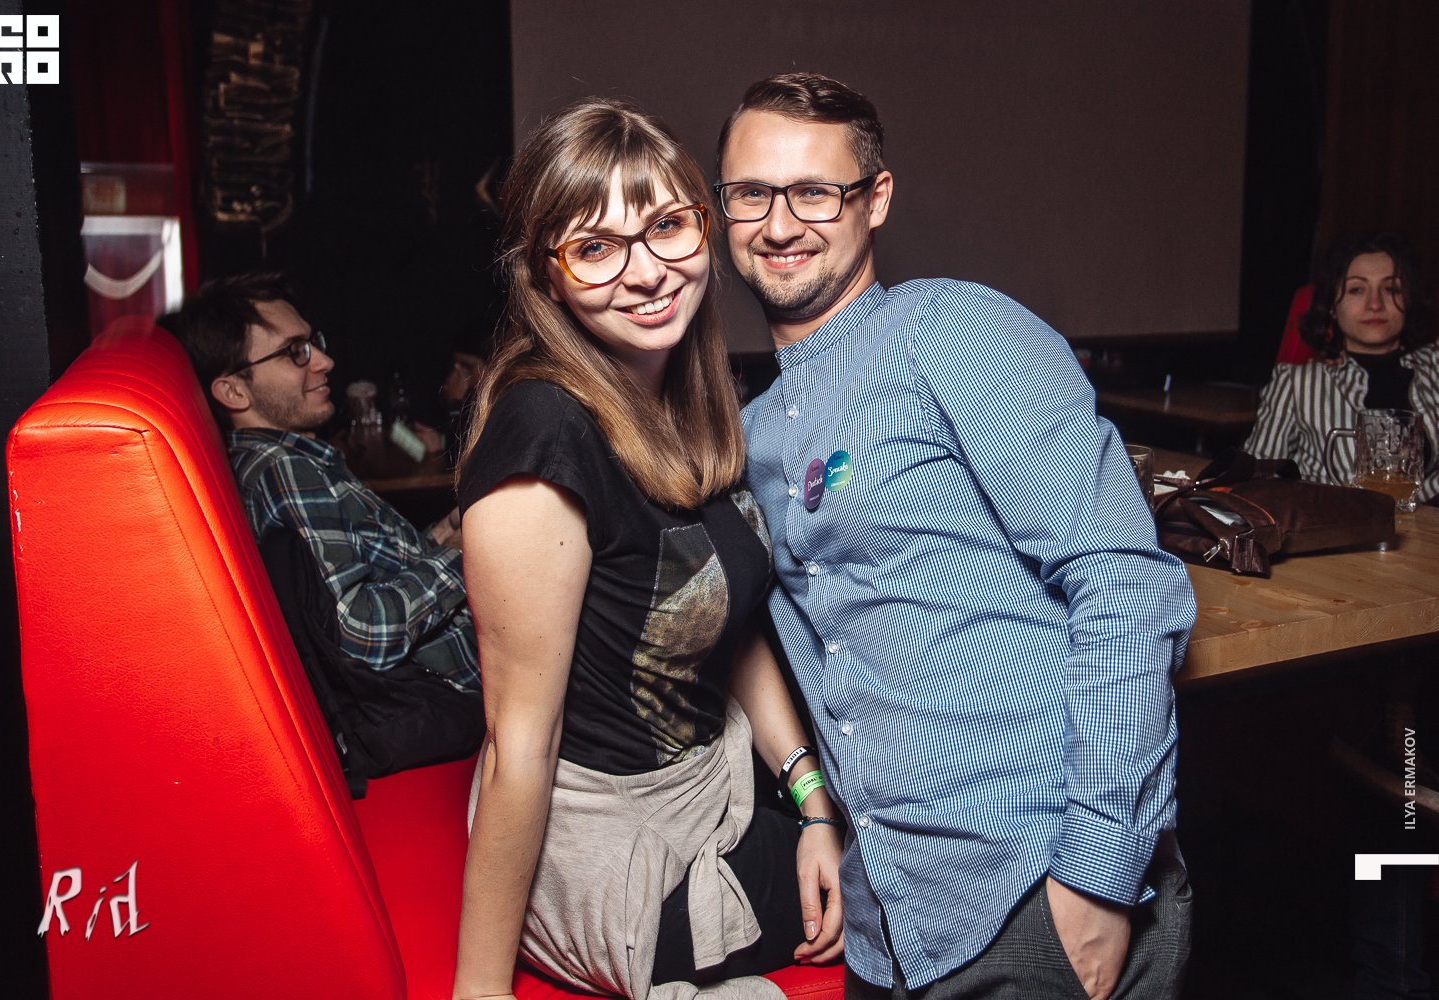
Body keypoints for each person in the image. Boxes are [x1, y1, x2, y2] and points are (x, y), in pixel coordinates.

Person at [720, 73, 1197, 1000]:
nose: (779, 224)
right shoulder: (753, 434)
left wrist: (1098, 870)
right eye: (751, 193)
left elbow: (1123, 580)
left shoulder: (948, 331)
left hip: (1033, 888)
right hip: (887, 921)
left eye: (815, 192)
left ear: (876, 199)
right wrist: (814, 808)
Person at [452, 99, 844, 1000]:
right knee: (912, 882)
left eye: (667, 226)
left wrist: (812, 798)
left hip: (706, 789)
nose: (647, 272)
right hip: (610, 856)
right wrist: (478, 994)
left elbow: (727, 619)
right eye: (596, 247)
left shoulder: (685, 396)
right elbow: (520, 745)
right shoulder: (543, 431)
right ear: (547, 277)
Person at [162, 273, 476, 690]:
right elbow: (362, 634)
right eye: (295, 352)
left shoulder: (275, 459)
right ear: (233, 392)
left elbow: (381, 567)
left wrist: (445, 532)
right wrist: (463, 553)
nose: (324, 361)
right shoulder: (283, 469)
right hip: (461, 689)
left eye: (312, 343)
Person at [1244, 230, 1439, 501]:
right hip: (1338, 524)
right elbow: (1254, 482)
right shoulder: (1298, 383)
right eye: (1356, 289)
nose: (1375, 304)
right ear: (1331, 307)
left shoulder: (1434, 366)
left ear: (1410, 298)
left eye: (1391, 289)